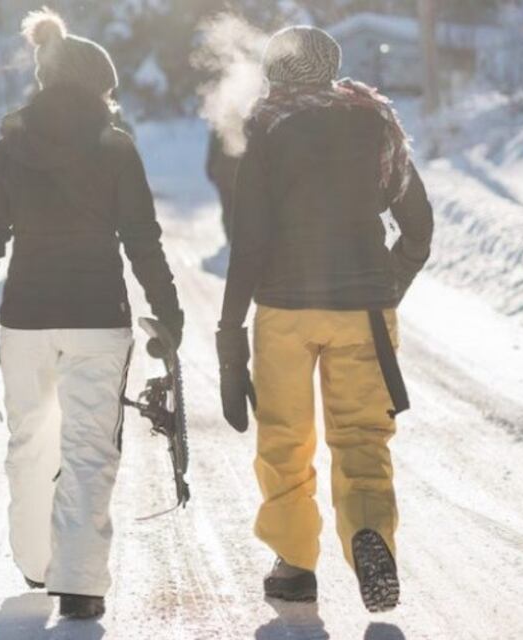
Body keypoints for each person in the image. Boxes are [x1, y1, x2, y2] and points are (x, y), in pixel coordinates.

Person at [0, 8, 183, 620]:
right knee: (88, 447)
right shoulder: (116, 146)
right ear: (98, 87)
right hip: (99, 316)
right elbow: (142, 238)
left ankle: (35, 561)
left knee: (29, 442)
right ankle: (79, 582)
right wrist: (168, 310)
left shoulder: (8, 146)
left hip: (25, 317)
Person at [216, 26, 433, 613]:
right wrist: (391, 283)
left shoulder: (268, 127)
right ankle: (369, 532)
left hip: (286, 311)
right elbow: (419, 225)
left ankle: (293, 565)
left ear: (276, 72)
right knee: (363, 436)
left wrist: (228, 330)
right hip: (364, 309)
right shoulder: (376, 121)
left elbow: (251, 241)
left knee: (286, 438)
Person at [205, 128, 241, 242]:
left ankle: (231, 237)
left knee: (227, 207)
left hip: (223, 174)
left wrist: (210, 168)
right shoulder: (245, 121)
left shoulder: (219, 122)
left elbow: (213, 149)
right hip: (238, 174)